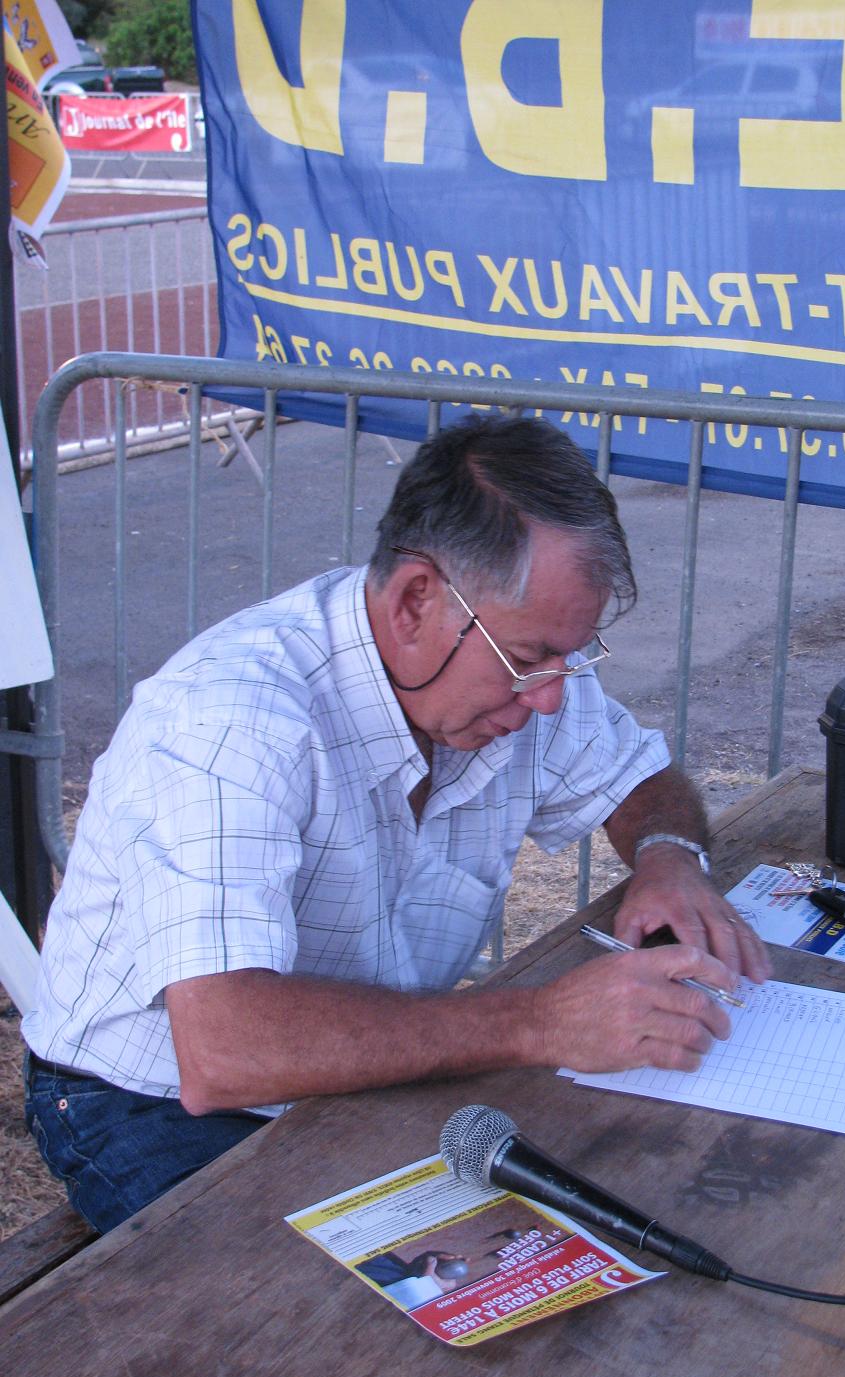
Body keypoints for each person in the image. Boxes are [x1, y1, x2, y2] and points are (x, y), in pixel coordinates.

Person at [22, 414, 770, 1233]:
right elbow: (225, 1048)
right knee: (364, 1298)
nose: (553, 694)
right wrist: (540, 1020)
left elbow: (639, 778)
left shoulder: (516, 672)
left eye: (571, 656)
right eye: (530, 658)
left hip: (362, 1061)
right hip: (153, 1096)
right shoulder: (230, 717)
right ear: (416, 601)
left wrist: (669, 857)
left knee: (629, 1198)